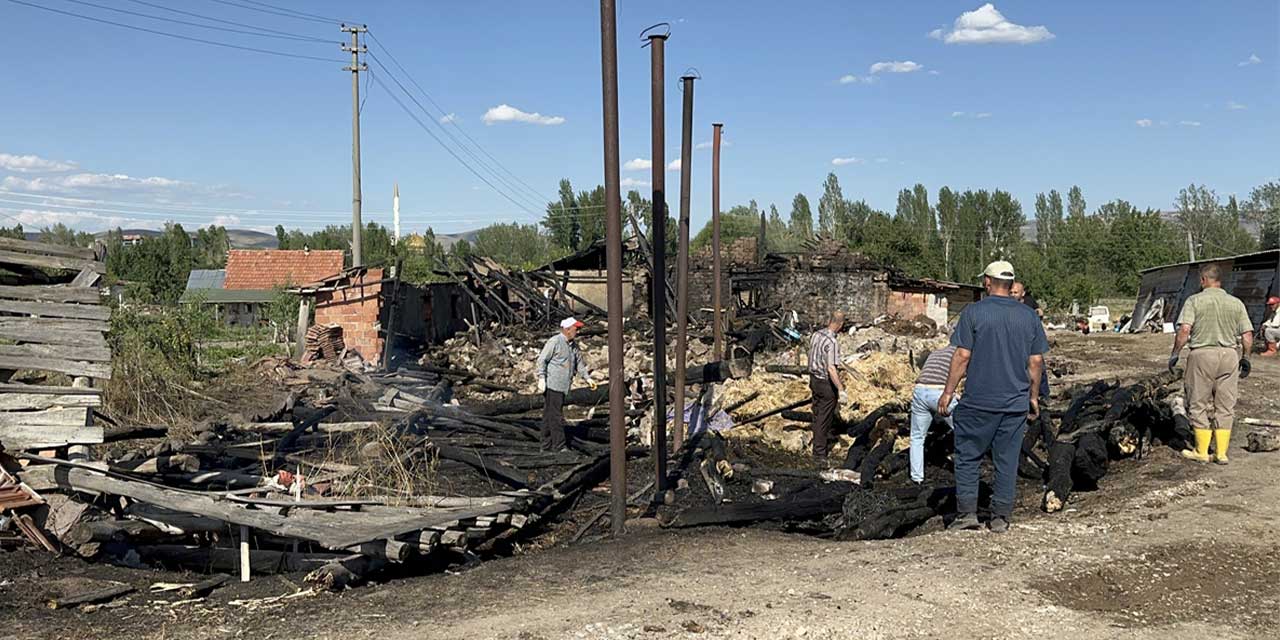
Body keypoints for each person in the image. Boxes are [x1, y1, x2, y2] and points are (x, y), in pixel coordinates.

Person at [939, 261, 1048, 533]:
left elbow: (963, 355)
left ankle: (966, 514)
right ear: (1011, 285)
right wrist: (1033, 397)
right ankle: (1000, 517)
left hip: (978, 401)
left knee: (967, 456)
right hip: (1013, 404)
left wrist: (948, 391)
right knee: (1007, 460)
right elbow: (1036, 361)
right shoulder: (1029, 316)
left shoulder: (974, 312)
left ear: (988, 282)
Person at [1169, 264, 1253, 464]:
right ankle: (1221, 453)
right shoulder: (1235, 303)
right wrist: (1246, 358)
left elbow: (1184, 330)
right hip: (1229, 355)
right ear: (1219, 280)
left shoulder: (1194, 301)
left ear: (1203, 280)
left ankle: (1201, 450)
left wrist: (1175, 353)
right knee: (1225, 404)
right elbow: (1247, 335)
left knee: (1198, 402)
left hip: (1202, 354)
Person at [536, 317, 596, 452]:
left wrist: (588, 378)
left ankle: (545, 446)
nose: (578, 331)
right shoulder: (555, 342)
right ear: (567, 329)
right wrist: (541, 378)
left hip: (563, 386)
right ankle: (559, 446)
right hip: (553, 385)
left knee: (548, 415)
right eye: (576, 329)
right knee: (556, 416)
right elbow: (542, 360)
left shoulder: (573, 345)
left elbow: (579, 364)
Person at [909, 345, 958, 484]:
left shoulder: (937, 353)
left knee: (917, 437)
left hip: (920, 390)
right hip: (940, 392)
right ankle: (966, 473)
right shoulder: (961, 353)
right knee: (964, 431)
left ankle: (917, 477)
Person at [808, 310, 848, 463]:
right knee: (824, 418)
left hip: (813, 379)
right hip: (825, 383)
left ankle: (818, 443)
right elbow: (831, 368)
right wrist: (840, 388)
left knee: (817, 413)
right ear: (840, 324)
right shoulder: (832, 342)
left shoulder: (816, 335)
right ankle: (819, 454)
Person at [1012, 280, 1051, 399]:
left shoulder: (1029, 302)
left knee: (1039, 366)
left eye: (1015, 292)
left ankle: (1043, 394)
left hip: (1030, 339)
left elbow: (1039, 311)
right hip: (1015, 341)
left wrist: (1038, 314)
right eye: (1011, 292)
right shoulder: (1008, 306)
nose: (1013, 295)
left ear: (1022, 293)